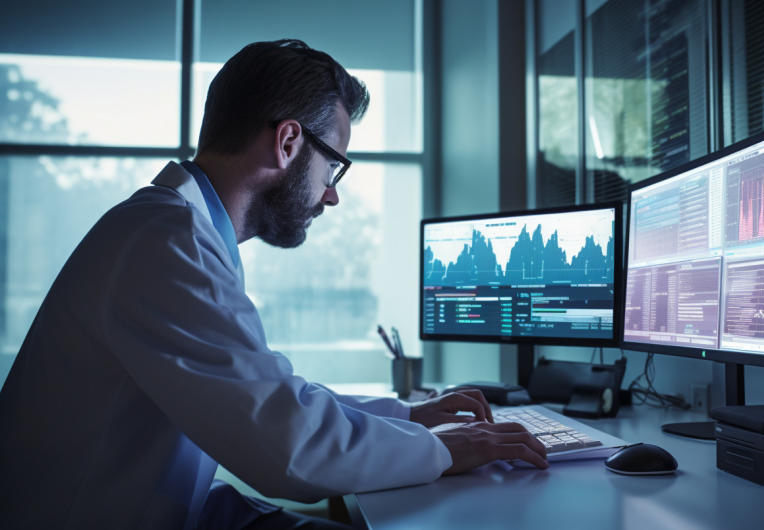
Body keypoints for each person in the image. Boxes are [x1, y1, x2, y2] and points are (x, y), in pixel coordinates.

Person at [0, 39, 547, 529]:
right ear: (288, 142)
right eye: (334, 167)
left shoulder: (174, 230)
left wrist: (407, 416)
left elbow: (269, 396)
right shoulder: (169, 242)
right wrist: (446, 448)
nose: (332, 195)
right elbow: (288, 446)